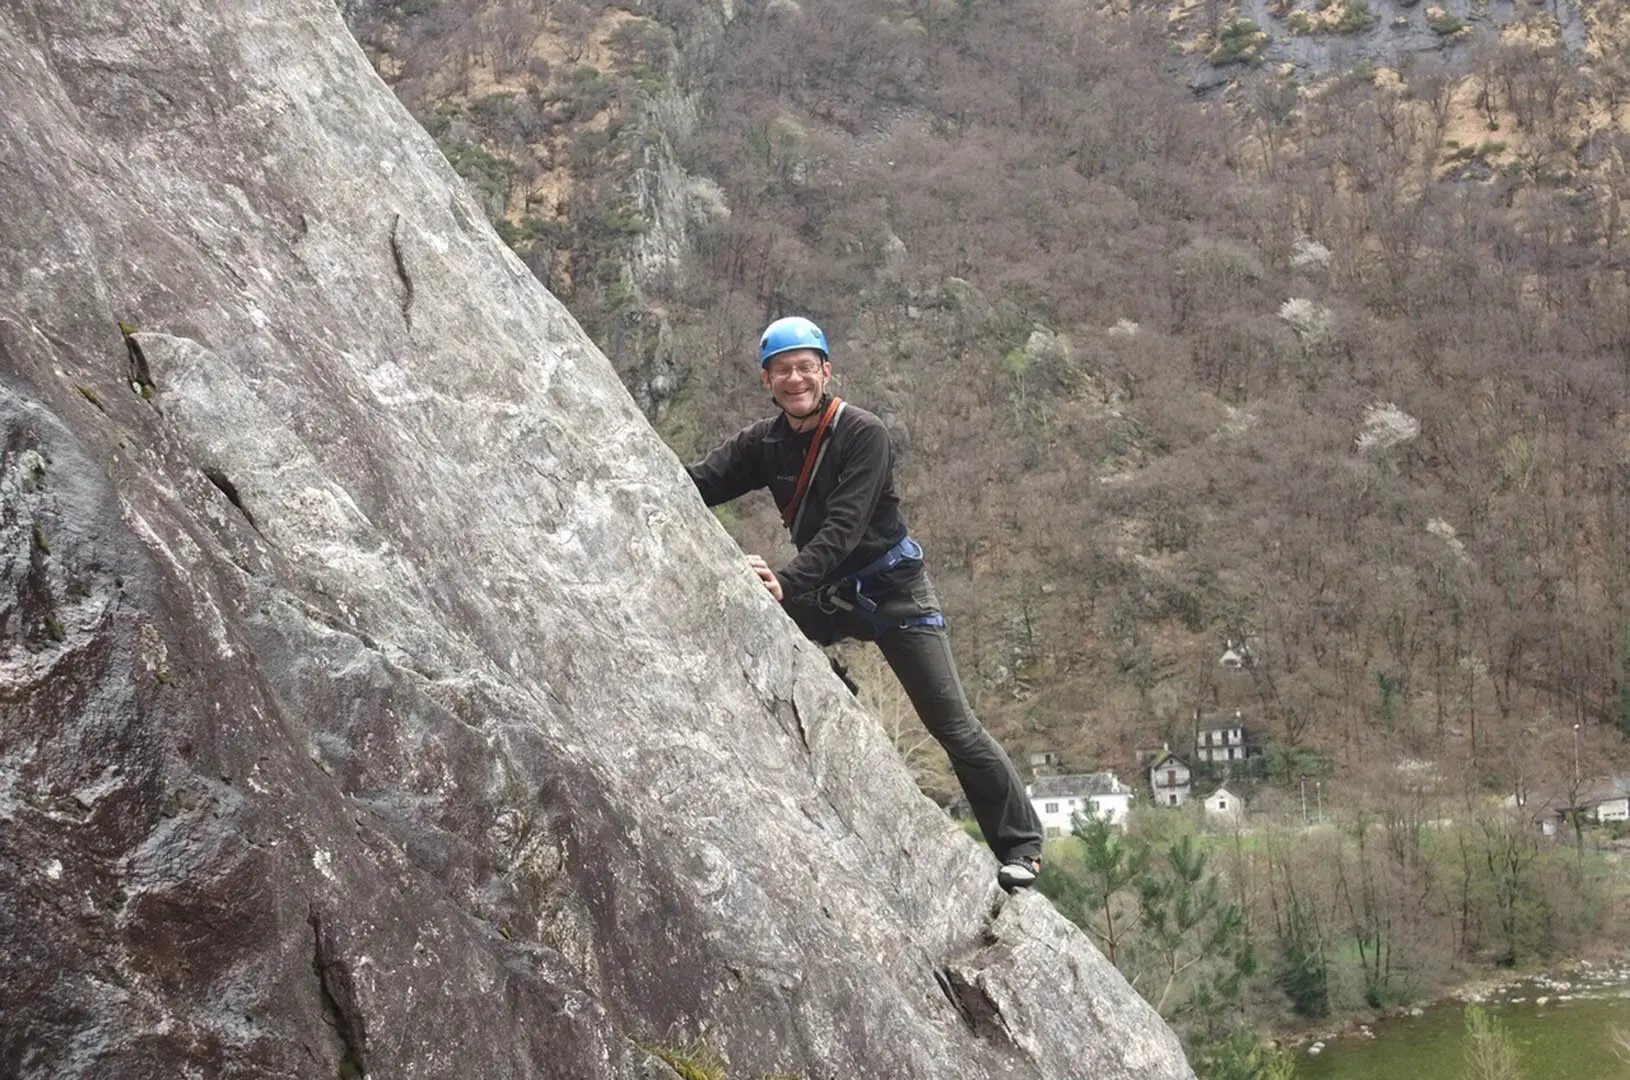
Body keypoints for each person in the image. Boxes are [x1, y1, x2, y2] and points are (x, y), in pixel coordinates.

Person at [687, 316, 1045, 891]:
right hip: (828, 595)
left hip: (893, 591)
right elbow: (697, 483)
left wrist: (785, 579)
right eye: (784, 370)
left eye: (807, 367)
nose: (796, 379)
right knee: (744, 620)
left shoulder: (863, 433)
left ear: (826, 371)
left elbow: (844, 527)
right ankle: (834, 690)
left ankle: (1021, 848)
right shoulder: (764, 444)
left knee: (951, 723)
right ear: (767, 379)